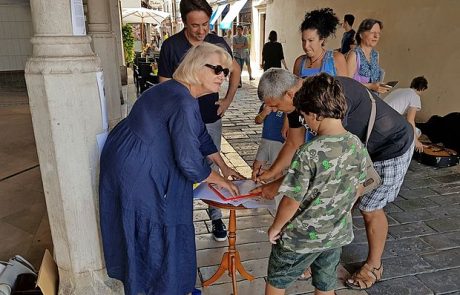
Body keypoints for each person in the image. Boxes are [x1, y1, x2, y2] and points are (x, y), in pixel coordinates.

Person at [99, 43, 242, 295]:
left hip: (130, 157)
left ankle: (158, 284)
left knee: (148, 224)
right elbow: (189, 161)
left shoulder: (180, 91)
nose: (223, 76)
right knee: (153, 224)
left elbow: (199, 135)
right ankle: (158, 287)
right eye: (218, 69)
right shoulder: (183, 100)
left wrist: (224, 166)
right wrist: (220, 181)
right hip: (138, 168)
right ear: (197, 68)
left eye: (226, 72)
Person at [253, 68, 414, 291]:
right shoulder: (348, 140)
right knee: (326, 278)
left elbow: (303, 185)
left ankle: (374, 265)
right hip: (336, 234)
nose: (271, 111)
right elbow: (296, 144)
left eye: (273, 105)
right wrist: (270, 175)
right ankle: (312, 257)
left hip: (390, 144)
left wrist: (276, 220)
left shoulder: (331, 97)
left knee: (370, 208)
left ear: (291, 96)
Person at [265, 73, 370, 295]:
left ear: (315, 114)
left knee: (277, 281)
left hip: (300, 237)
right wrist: (340, 208)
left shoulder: (308, 152)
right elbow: (362, 184)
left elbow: (292, 200)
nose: (306, 123)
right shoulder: (355, 144)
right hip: (335, 235)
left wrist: (276, 227)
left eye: (304, 117)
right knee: (325, 284)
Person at [158, 0, 241, 242]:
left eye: (206, 24)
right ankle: (179, 218)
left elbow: (204, 140)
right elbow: (188, 161)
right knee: (182, 165)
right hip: (174, 121)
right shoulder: (172, 48)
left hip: (207, 116)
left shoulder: (216, 43)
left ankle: (215, 216)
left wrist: (227, 100)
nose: (201, 30)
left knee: (209, 160)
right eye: (195, 25)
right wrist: (221, 179)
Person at [293, 8, 347, 79]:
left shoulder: (336, 59)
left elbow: (346, 88)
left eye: (311, 40)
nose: (306, 46)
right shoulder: (299, 62)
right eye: (303, 40)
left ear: (322, 39)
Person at [384, 76, 428, 152]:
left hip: (379, 116)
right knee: (417, 132)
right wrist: (416, 141)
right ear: (423, 89)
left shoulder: (398, 90)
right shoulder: (415, 96)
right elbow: (410, 120)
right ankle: (404, 152)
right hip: (387, 122)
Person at [346, 19, 389, 94]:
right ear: (361, 35)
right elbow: (347, 84)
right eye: (372, 32)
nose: (376, 36)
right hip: (357, 101)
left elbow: (374, 81)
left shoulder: (375, 55)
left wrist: (379, 86)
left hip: (373, 100)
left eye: (378, 33)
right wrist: (371, 86)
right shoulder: (354, 54)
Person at [251, 103, 286, 183]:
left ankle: (278, 189)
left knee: (277, 168)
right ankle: (257, 184)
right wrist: (264, 112)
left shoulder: (284, 107)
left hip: (278, 142)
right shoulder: (265, 105)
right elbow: (257, 120)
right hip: (265, 141)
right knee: (257, 165)